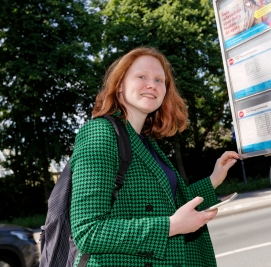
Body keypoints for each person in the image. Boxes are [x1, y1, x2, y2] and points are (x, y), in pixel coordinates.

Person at [70, 47, 240, 266]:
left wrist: (214, 178)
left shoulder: (147, 141)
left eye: (160, 80)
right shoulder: (100, 133)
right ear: (120, 86)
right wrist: (171, 226)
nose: (152, 84)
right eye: (141, 76)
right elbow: (88, 231)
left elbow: (171, 205)